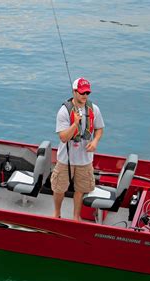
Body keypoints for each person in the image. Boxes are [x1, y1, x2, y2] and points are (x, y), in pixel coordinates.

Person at [51, 77, 104, 221]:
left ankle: (76, 217)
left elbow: (99, 128)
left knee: (80, 190)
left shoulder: (94, 109)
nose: (85, 96)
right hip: (65, 159)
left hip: (85, 160)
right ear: (74, 91)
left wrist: (95, 141)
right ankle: (57, 213)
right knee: (59, 189)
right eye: (81, 93)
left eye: (87, 93)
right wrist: (75, 124)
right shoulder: (64, 111)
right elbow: (63, 137)